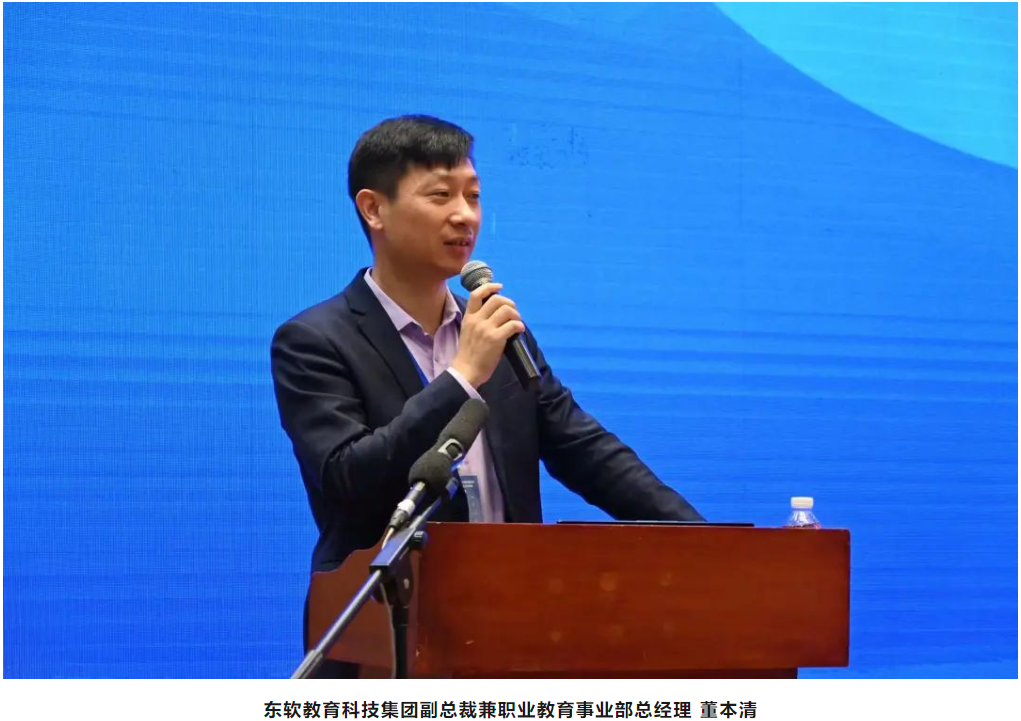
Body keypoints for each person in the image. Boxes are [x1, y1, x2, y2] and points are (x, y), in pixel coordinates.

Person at [270, 115, 704, 664]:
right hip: (385, 634)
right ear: (373, 208)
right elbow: (348, 479)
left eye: (473, 196)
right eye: (441, 195)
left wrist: (703, 541)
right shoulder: (315, 341)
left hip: (510, 623)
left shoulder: (497, 332)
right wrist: (460, 379)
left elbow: (585, 449)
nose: (465, 215)